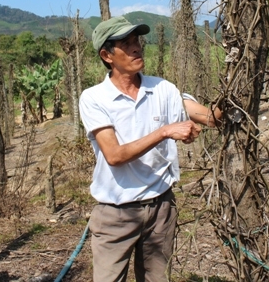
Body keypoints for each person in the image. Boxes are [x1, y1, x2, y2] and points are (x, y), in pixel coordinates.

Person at [79, 16, 220, 282]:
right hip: (115, 214)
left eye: (137, 41)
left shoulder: (163, 89)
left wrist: (234, 81)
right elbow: (115, 156)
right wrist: (166, 131)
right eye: (126, 44)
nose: (136, 48)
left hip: (160, 210)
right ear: (106, 55)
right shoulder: (94, 98)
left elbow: (211, 117)